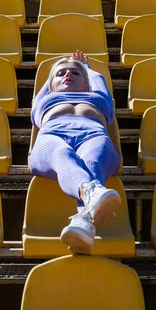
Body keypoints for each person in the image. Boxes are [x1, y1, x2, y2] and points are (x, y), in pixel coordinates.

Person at [29, 50, 121, 254]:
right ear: (52, 84)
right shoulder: (44, 101)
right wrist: (57, 71)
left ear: (86, 82)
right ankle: (90, 196)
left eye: (75, 73)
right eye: (61, 74)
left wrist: (86, 68)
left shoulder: (98, 97)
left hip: (93, 135)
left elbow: (99, 81)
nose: (68, 75)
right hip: (51, 139)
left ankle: (84, 222)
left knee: (92, 160)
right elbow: (46, 83)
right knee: (62, 153)